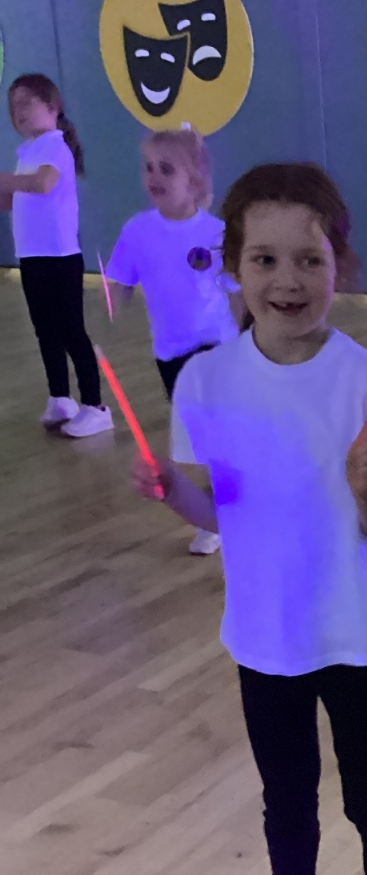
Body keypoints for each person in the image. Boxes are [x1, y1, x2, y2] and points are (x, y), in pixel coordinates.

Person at [132, 163, 367, 875]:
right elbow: (216, 511)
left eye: (310, 259)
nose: (287, 280)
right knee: (285, 801)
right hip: (264, 634)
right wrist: (170, 494)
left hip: (357, 631)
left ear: (340, 266)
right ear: (232, 266)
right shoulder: (207, 381)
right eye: (264, 259)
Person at [107, 128, 238, 555]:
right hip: (170, 351)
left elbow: (239, 286)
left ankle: (226, 511)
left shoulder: (217, 233)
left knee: (218, 431)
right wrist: (111, 307)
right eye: (148, 168)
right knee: (197, 436)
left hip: (215, 346)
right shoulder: (137, 231)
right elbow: (120, 281)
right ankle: (215, 511)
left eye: (166, 169)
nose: (154, 177)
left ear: (194, 181)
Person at [0, 74, 110, 437]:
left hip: (60, 259)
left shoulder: (54, 146)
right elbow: (12, 200)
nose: (18, 112)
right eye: (13, 106)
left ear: (52, 107)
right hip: (32, 257)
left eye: (25, 103)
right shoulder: (27, 153)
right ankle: (60, 397)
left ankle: (95, 406)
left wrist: (5, 180)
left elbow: (43, 183)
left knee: (71, 331)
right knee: (45, 330)